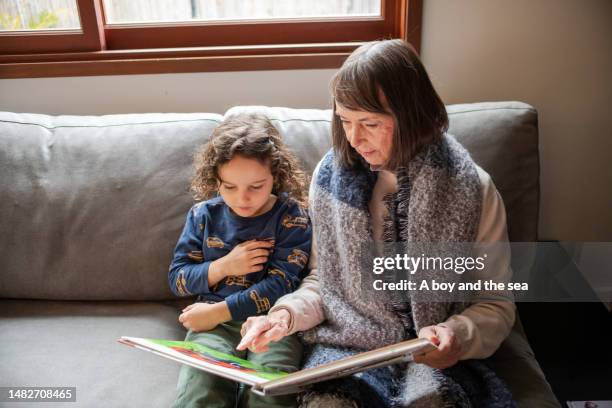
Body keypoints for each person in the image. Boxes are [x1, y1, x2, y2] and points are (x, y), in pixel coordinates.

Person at [238, 40, 517, 407]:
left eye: (370, 123)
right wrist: (285, 315)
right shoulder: (329, 180)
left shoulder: (472, 188)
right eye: (345, 121)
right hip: (348, 351)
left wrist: (456, 334)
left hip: (432, 358)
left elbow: (495, 302)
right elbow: (326, 283)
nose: (354, 138)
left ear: (412, 114)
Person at [168, 113, 312, 408]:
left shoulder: (292, 217)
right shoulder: (202, 215)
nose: (242, 198)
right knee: (199, 390)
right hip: (212, 327)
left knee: (271, 391)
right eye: (229, 187)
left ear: (276, 175)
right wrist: (224, 267)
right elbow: (178, 279)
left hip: (272, 322)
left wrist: (217, 312)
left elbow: (282, 285)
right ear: (215, 179)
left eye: (255, 186)